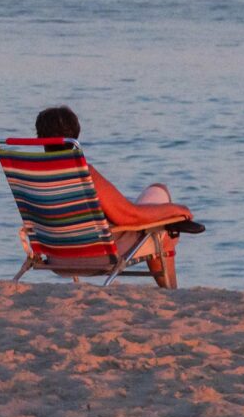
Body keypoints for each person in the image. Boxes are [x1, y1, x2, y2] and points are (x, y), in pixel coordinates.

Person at [35, 105, 203, 287]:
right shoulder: (82, 173)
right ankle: (171, 292)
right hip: (97, 255)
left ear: (40, 138)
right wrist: (175, 210)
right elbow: (128, 216)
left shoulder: (31, 175)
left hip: (56, 257)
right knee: (163, 228)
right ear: (75, 134)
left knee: (156, 191)